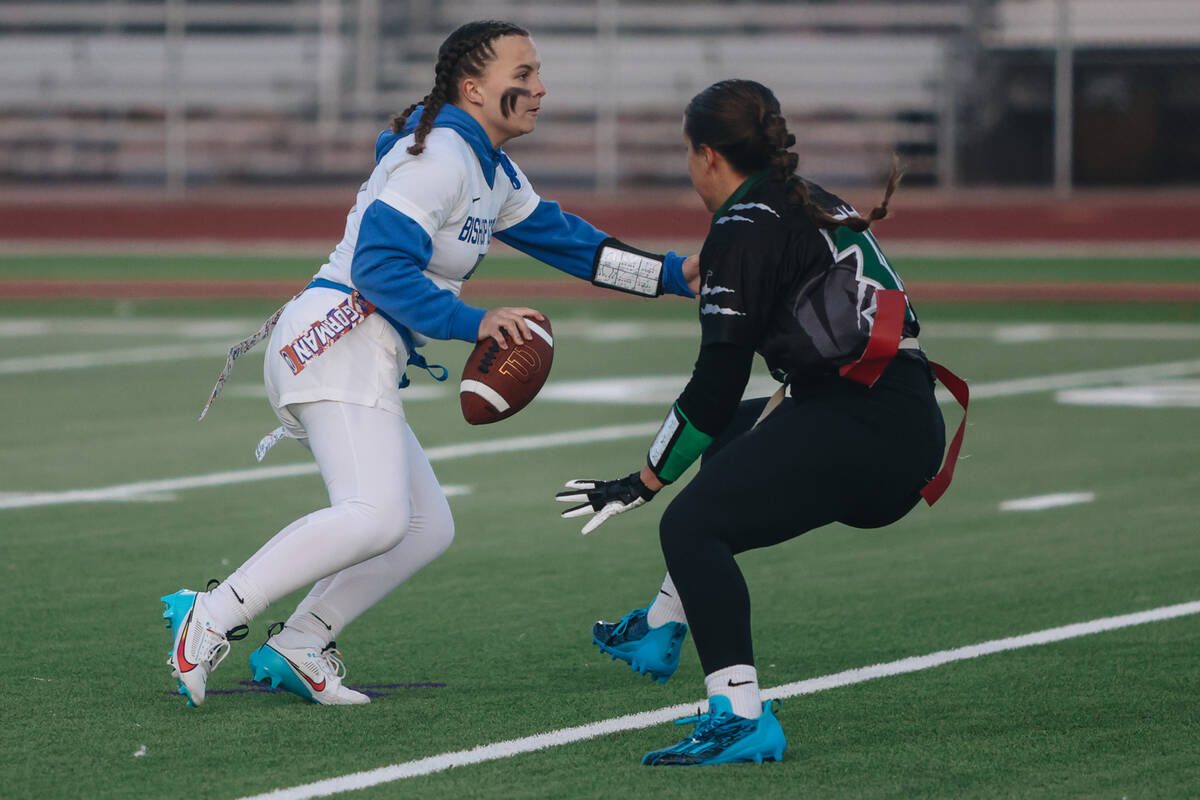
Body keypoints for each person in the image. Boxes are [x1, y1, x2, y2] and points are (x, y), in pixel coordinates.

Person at [162, 19, 699, 708]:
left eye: (538, 74)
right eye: (523, 75)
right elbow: (379, 267)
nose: (540, 88)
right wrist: (475, 322)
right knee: (375, 516)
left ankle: (300, 642)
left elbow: (576, 247)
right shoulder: (442, 156)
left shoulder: (489, 168)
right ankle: (210, 614)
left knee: (423, 528)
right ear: (473, 89)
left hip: (360, 349)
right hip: (336, 338)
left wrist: (682, 274)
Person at [556, 79, 967, 765]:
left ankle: (739, 714)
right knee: (723, 448)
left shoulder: (743, 229)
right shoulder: (805, 197)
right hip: (891, 410)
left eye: (690, 154)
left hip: (865, 423)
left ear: (710, 156)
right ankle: (660, 625)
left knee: (689, 523)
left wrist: (645, 479)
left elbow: (716, 381)